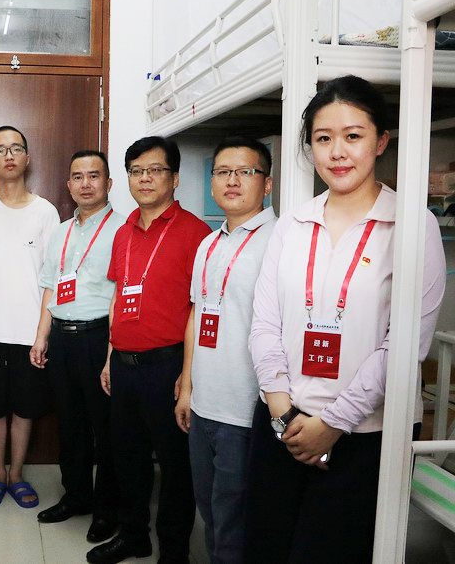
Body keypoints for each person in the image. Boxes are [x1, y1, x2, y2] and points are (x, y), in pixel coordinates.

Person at [245, 75, 445, 563]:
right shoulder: (292, 223)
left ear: (381, 141)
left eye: (353, 136)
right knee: (264, 549)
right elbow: (264, 324)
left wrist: (332, 423)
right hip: (280, 424)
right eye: (323, 138)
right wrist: (282, 412)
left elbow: (405, 346)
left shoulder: (412, 225)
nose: (337, 152)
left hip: (366, 435)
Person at [88, 136, 210, 564]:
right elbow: (120, 296)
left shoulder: (197, 234)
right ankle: (133, 535)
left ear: (174, 178)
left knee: (175, 465)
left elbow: (199, 309)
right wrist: (110, 356)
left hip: (168, 365)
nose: (145, 179)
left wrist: (188, 377)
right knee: (128, 457)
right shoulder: (123, 233)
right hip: (124, 365)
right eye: (136, 171)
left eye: (155, 170)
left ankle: (174, 551)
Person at [174, 136, 277, 563]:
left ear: (266, 184)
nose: (232, 180)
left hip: (246, 410)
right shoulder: (209, 243)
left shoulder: (279, 241)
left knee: (235, 520)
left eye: (245, 171)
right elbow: (197, 314)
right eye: (222, 172)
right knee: (211, 514)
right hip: (204, 406)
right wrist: (187, 387)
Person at [31, 150, 125, 542]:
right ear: (69, 184)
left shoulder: (124, 229)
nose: (86, 184)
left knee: (106, 429)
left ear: (108, 183)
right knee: (69, 425)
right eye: (78, 177)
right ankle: (76, 496)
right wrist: (41, 336)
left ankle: (106, 510)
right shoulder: (61, 232)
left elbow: (122, 295)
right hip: (62, 339)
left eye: (94, 175)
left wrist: (112, 354)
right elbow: (51, 286)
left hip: (99, 337)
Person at [0, 125, 60, 510]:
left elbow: (53, 277)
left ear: (27, 158)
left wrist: (42, 333)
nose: (8, 155)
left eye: (16, 148)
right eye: (0, 150)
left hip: (30, 332)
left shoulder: (46, 212)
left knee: (25, 408)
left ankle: (17, 474)